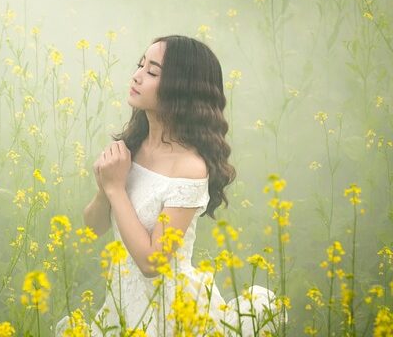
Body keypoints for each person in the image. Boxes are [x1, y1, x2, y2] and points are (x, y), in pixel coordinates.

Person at [55, 35, 283, 336]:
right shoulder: (132, 147)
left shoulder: (189, 167)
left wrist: (115, 189)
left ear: (181, 89)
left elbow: (153, 263)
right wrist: (105, 187)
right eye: (140, 65)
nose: (136, 76)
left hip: (168, 313)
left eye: (152, 72)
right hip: (122, 303)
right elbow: (92, 229)